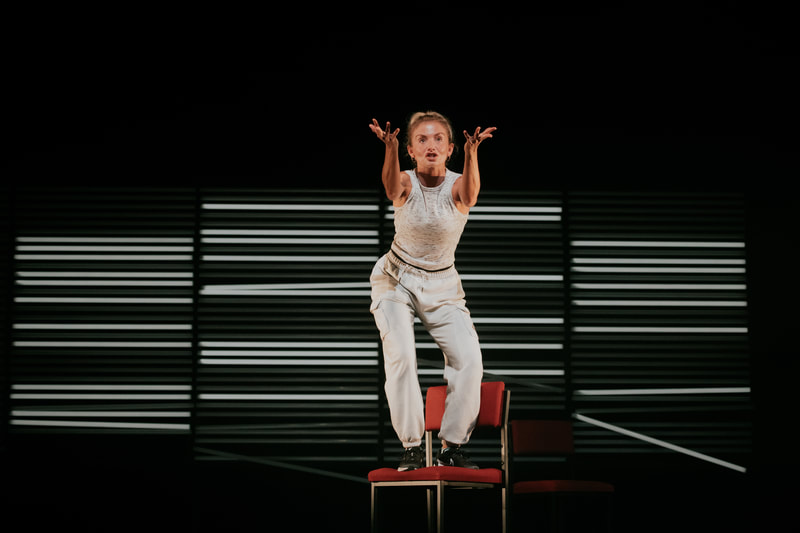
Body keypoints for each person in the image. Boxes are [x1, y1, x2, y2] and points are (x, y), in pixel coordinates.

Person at [368, 111, 496, 471]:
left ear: (450, 148)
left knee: (469, 360)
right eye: (422, 140)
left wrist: (473, 154)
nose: (431, 145)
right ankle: (411, 447)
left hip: (443, 285)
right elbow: (391, 190)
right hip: (396, 280)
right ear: (410, 150)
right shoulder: (405, 181)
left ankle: (452, 447)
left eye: (438, 138)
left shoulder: (457, 184)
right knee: (402, 357)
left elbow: (470, 196)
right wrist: (389, 148)